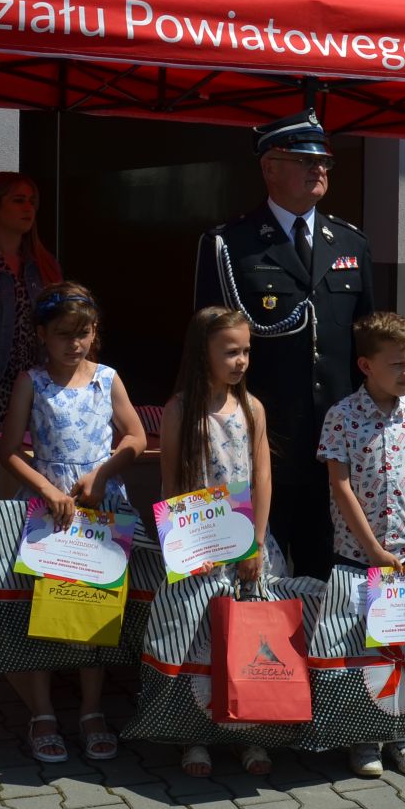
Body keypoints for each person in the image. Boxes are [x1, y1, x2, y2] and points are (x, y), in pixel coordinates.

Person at [194, 109, 374, 578]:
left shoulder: (350, 242)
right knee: (255, 567)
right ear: (269, 167)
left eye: (323, 162)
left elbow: (367, 345)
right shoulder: (230, 244)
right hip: (261, 436)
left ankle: (321, 651)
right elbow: (207, 345)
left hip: (334, 439)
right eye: (302, 159)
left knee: (329, 564)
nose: (318, 169)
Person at [0, 282, 147, 765]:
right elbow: (8, 451)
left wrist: (103, 473)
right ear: (42, 333)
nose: (74, 344)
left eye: (83, 334)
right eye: (63, 334)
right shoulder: (32, 382)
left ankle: (90, 710)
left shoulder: (107, 378)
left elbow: (137, 437)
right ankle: (41, 712)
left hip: (99, 507)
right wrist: (46, 489)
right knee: (42, 613)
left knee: (92, 611)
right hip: (50, 509)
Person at [317, 312, 405, 778]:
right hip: (359, 557)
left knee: (404, 645)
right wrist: (370, 548)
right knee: (361, 647)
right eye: (398, 364)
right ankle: (362, 737)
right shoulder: (343, 416)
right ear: (367, 365)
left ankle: (403, 733)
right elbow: (341, 485)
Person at [158, 304, 284, 780]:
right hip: (199, 551)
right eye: (230, 351)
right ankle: (197, 734)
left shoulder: (252, 409)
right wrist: (182, 547)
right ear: (201, 352)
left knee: (251, 641)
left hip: (249, 552)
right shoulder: (179, 410)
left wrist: (255, 543)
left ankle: (250, 730)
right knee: (200, 639)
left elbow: (263, 477)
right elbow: (170, 482)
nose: (241, 361)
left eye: (246, 351)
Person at [0, 172, 61, 433]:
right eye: (18, 200)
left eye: (32, 201)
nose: (28, 208)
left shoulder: (44, 264)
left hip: (38, 383)